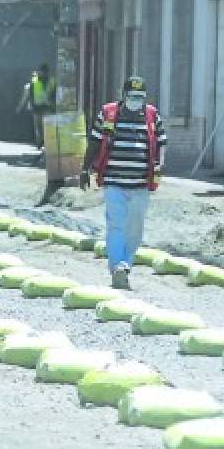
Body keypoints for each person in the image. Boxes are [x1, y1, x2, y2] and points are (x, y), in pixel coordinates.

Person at [80, 75, 167, 290]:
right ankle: (117, 267)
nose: (136, 101)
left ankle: (126, 262)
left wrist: (159, 165)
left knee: (135, 228)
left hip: (141, 183)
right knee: (116, 224)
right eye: (132, 96)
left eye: (140, 97)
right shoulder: (108, 113)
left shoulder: (152, 114)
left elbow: (162, 142)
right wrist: (84, 169)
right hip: (114, 181)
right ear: (124, 96)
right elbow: (95, 140)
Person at [16, 64, 57, 150]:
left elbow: (56, 95)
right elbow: (26, 94)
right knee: (38, 127)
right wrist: (21, 106)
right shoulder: (34, 81)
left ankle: (45, 144)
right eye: (41, 72)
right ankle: (40, 143)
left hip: (47, 107)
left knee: (46, 127)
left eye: (43, 72)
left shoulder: (52, 81)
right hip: (37, 107)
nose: (42, 73)